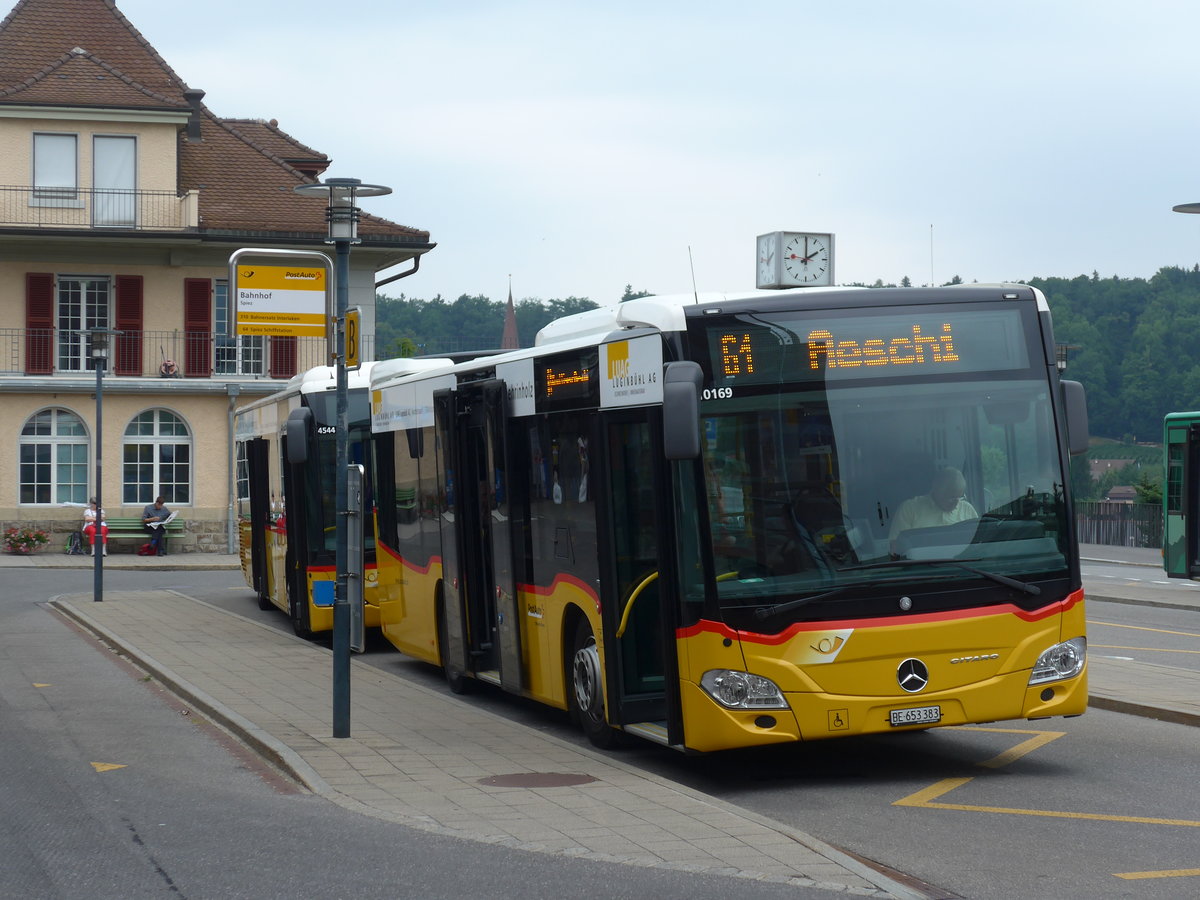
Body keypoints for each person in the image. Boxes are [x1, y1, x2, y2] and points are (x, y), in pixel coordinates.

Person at [889, 467, 978, 553]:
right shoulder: (909, 509)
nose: (956, 503)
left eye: (960, 497)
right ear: (936, 490)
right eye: (951, 498)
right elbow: (895, 548)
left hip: (963, 565)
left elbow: (978, 545)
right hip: (922, 567)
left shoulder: (967, 510)